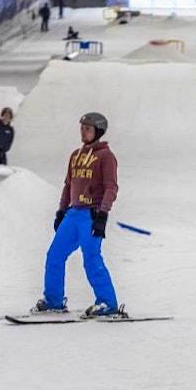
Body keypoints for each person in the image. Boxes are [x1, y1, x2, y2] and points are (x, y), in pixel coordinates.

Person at [38, 112, 122, 317]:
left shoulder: (106, 156)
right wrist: (61, 210)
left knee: (91, 258)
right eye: (82, 128)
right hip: (73, 214)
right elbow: (69, 185)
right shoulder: (75, 155)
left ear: (98, 132)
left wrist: (102, 215)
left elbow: (111, 188)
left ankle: (107, 303)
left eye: (88, 129)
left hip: (91, 215)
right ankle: (53, 300)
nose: (83, 132)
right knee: (54, 256)